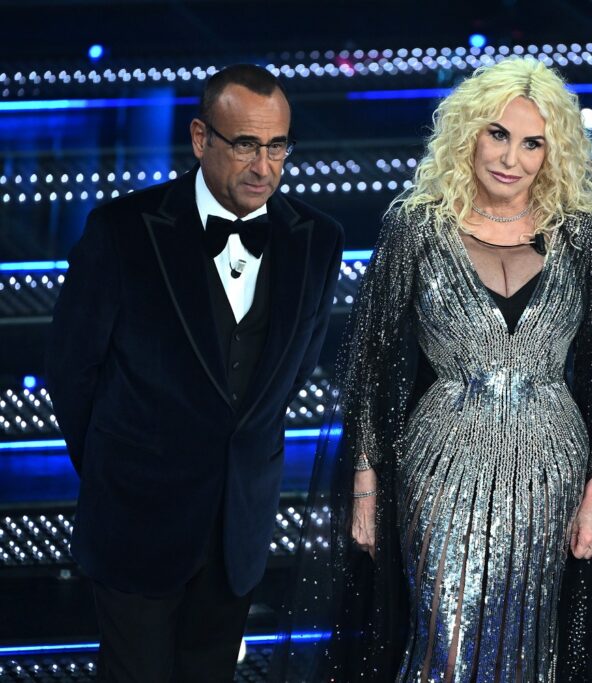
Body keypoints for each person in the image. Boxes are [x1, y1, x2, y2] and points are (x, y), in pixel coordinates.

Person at [274, 57, 592, 682]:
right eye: (498, 134)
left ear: (554, 152)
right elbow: (370, 362)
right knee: (444, 642)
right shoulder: (416, 227)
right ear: (468, 133)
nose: (511, 158)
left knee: (532, 643)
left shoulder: (583, 234)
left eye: (532, 143)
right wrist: (366, 486)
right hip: (441, 469)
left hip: (553, 473)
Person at [46, 64, 344, 681]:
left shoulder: (317, 238)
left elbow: (292, 373)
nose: (264, 166)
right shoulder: (123, 230)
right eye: (246, 144)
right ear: (201, 138)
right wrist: (118, 475)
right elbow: (72, 372)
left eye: (278, 146)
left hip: (238, 531)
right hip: (135, 524)